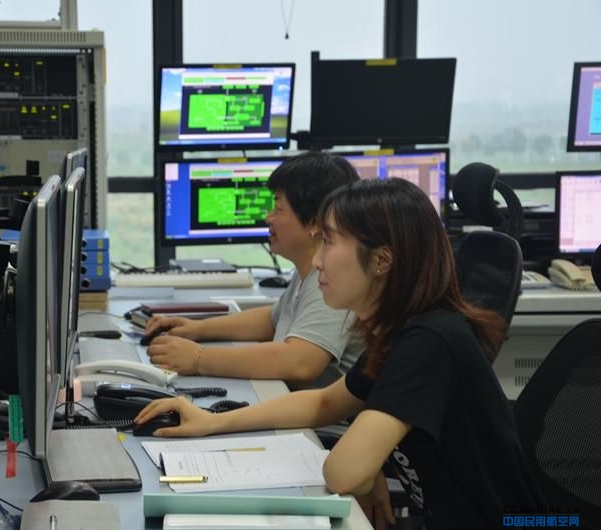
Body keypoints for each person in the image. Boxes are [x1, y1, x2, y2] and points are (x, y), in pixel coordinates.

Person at [136, 178, 544, 530]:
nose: (317, 260)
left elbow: (344, 472)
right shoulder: (402, 332)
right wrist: (211, 422)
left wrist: (367, 470)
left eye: (329, 242)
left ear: (382, 260)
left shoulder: (429, 342)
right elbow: (325, 402)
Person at [144, 152, 364, 388]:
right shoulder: (307, 274)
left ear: (313, 222)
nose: (269, 218)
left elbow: (300, 363)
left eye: (278, 209)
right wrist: (198, 328)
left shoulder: (331, 282)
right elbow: (272, 320)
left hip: (322, 424)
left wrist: (198, 358)